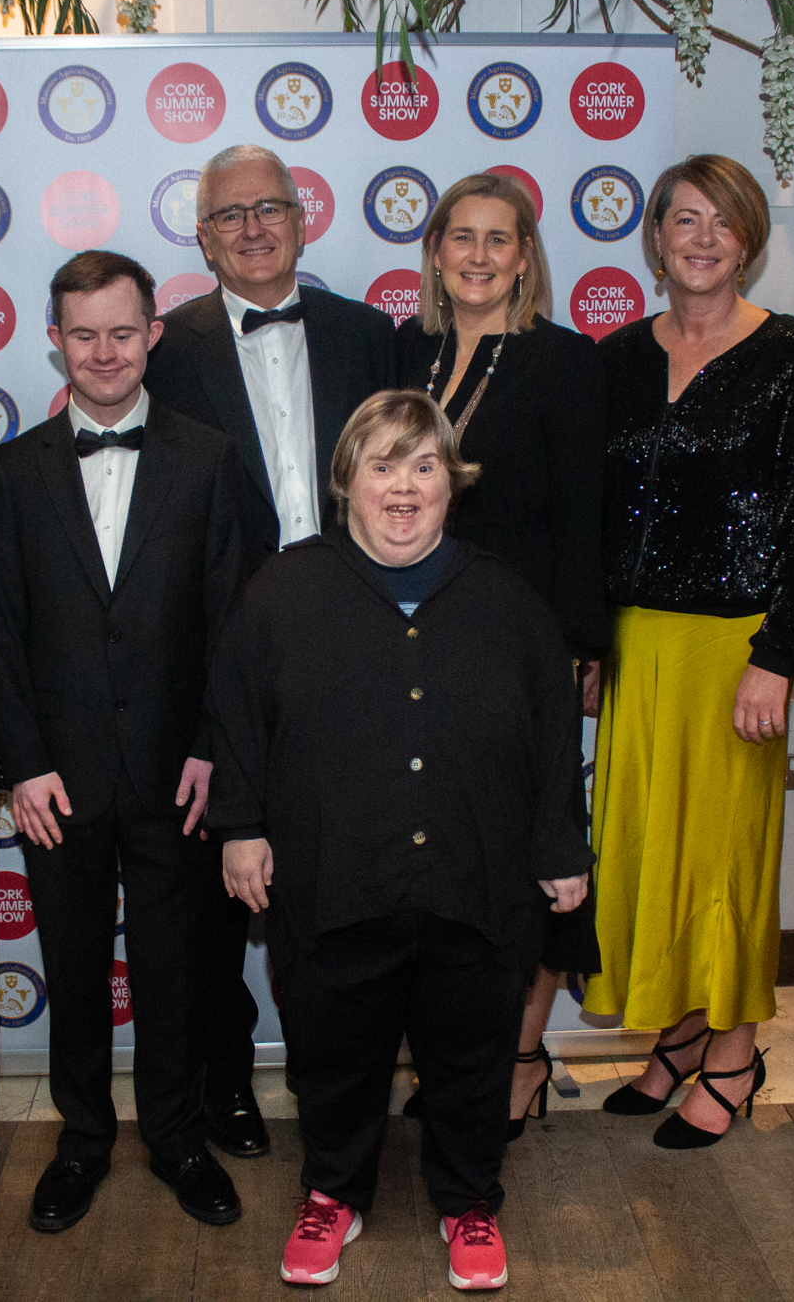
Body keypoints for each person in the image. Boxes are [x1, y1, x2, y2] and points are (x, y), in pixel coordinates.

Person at [205, 390, 591, 1291]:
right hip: (334, 882)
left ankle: (469, 1199)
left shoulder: (508, 600)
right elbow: (237, 719)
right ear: (347, 481)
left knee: (472, 1054)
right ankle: (333, 1192)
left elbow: (551, 739)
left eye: (424, 466)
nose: (404, 487)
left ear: (453, 483)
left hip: (476, 881)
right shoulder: (282, 593)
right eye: (382, 466)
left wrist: (561, 850)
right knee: (336, 1055)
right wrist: (241, 827)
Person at [0, 251, 248, 1233]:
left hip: (177, 773)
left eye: (122, 332)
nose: (104, 352)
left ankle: (176, 1137)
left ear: (152, 336)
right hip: (59, 778)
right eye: (84, 334)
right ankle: (83, 1141)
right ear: (55, 341)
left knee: (174, 970)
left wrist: (213, 747)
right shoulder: (12, 472)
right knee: (75, 964)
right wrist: (22, 764)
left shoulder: (208, 459)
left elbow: (230, 623)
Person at [586, 154, 794, 1148]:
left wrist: (777, 657)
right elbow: (598, 516)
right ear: (654, 237)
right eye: (683, 219)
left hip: (738, 649)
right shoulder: (614, 356)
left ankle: (733, 1055)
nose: (701, 238)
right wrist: (590, 641)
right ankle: (679, 1033)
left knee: (725, 859)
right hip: (636, 645)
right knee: (650, 852)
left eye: (721, 220)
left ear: (748, 240)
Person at [147, 142, 397, 1158]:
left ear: (303, 219)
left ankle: (339, 1079)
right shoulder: (166, 349)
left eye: (269, 209)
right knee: (217, 885)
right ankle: (225, 1083)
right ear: (202, 239)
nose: (252, 229)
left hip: (354, 645)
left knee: (346, 876)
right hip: (221, 654)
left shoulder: (368, 336)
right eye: (229, 215)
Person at [392, 171, 607, 1134]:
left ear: (525, 257)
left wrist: (579, 647)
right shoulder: (408, 351)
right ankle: (452, 1058)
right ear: (435, 252)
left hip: (523, 643)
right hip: (419, 638)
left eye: (499, 239)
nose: (478, 255)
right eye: (461, 236)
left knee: (530, 851)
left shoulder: (564, 360)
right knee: (441, 852)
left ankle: (521, 1057)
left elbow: (584, 515)